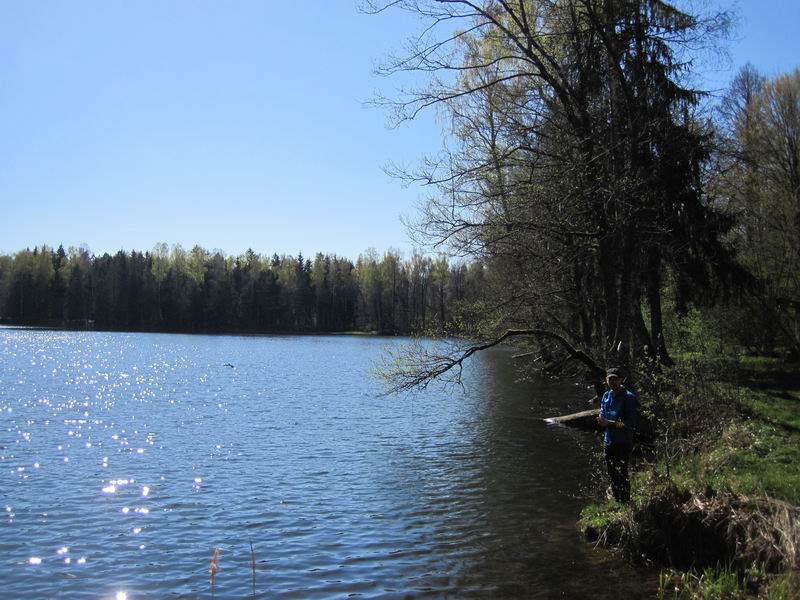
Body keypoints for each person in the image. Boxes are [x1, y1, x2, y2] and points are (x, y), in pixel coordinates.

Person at [597, 367, 637, 503]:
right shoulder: (606, 396)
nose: (613, 381)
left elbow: (629, 423)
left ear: (621, 380)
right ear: (606, 380)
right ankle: (618, 502)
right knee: (612, 473)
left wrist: (609, 422)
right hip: (609, 440)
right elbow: (602, 410)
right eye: (610, 379)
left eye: (615, 379)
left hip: (623, 441)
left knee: (622, 473)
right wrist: (601, 418)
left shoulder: (629, 398)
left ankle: (625, 502)